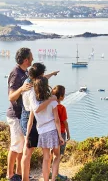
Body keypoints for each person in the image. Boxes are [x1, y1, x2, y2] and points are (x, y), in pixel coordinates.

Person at [20, 63, 59, 180]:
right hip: (31, 117)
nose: (44, 75)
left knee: (44, 154)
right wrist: (51, 99)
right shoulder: (31, 89)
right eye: (43, 74)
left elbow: (43, 80)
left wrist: (51, 74)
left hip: (37, 118)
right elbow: (36, 109)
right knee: (28, 151)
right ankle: (25, 179)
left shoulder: (33, 82)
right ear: (39, 76)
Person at [26, 76, 64, 181]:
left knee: (46, 158)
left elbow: (30, 122)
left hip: (41, 131)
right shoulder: (52, 101)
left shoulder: (34, 103)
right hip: (52, 130)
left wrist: (27, 136)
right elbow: (57, 120)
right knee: (56, 156)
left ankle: (46, 179)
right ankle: (53, 179)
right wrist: (60, 136)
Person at [5, 47, 35, 181]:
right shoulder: (16, 73)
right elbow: (11, 97)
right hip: (15, 115)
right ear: (25, 60)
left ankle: (18, 173)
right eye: (31, 57)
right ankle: (10, 175)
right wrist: (22, 89)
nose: (33, 59)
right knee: (16, 145)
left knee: (21, 146)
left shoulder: (25, 72)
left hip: (22, 115)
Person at [51, 85, 69, 180]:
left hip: (50, 132)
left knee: (52, 154)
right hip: (61, 133)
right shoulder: (61, 108)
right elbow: (65, 122)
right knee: (58, 156)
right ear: (61, 97)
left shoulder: (49, 106)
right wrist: (68, 133)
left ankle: (51, 172)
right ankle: (56, 174)